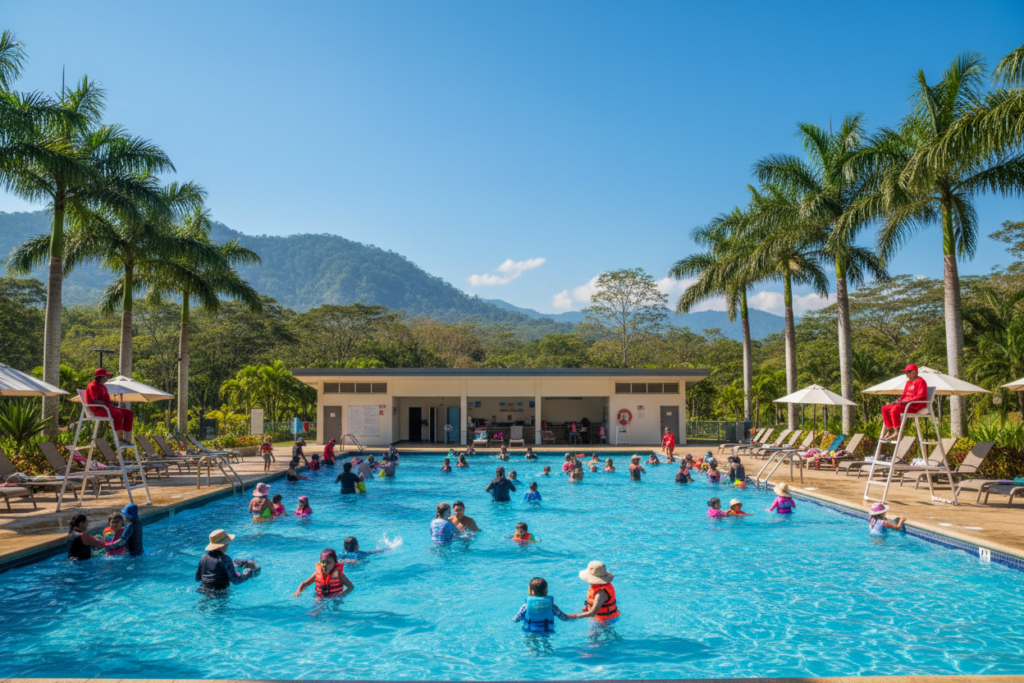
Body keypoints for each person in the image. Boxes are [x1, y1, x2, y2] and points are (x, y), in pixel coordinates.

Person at [84, 368, 134, 444]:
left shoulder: (103, 387)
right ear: (99, 377)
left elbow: (106, 401)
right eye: (105, 377)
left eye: (108, 377)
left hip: (108, 408)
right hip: (99, 410)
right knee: (118, 413)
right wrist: (110, 403)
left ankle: (127, 438)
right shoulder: (93, 385)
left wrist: (113, 402)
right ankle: (119, 440)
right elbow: (96, 400)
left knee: (129, 413)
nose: (107, 379)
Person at [881, 364, 929, 441]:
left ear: (913, 372)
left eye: (907, 372)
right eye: (906, 372)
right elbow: (904, 396)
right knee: (885, 408)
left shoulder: (921, 381)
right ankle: (889, 430)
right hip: (906, 404)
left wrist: (906, 401)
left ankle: (896, 432)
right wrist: (898, 401)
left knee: (895, 409)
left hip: (915, 405)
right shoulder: (908, 383)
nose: (906, 374)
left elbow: (921, 396)